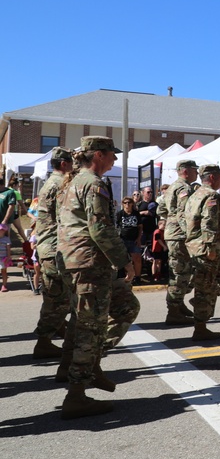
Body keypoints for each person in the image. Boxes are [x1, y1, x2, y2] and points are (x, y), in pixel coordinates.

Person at [57, 137, 138, 420]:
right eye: (112, 155)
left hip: (77, 262)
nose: (115, 160)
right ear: (99, 155)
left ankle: (90, 368)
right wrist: (125, 262)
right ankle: (76, 395)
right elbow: (100, 229)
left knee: (122, 308)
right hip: (89, 265)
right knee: (89, 329)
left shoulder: (74, 181)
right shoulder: (92, 183)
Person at [31, 147, 74, 359]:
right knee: (60, 299)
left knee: (53, 295)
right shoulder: (59, 184)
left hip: (47, 246)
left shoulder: (50, 182)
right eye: (72, 163)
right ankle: (44, 341)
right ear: (64, 164)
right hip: (54, 247)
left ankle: (54, 330)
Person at [184, 164, 220, 340]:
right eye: (219, 176)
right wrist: (210, 246)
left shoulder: (195, 195)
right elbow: (208, 222)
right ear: (212, 177)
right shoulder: (211, 196)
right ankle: (200, 324)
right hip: (207, 248)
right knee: (206, 287)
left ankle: (201, 305)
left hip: (196, 247)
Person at [161, 159, 199, 325]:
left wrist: (166, 221)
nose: (197, 173)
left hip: (173, 233)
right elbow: (184, 214)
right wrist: (191, 234)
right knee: (180, 273)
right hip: (180, 235)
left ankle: (178, 304)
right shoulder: (183, 187)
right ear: (186, 171)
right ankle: (173, 311)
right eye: (194, 170)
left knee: (180, 271)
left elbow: (160, 208)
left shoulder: (171, 187)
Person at [0, 177, 28, 292]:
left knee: (5, 242)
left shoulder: (9, 192)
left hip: (3, 224)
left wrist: (5, 221)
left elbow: (11, 207)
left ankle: (5, 282)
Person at [116, 197, 143, 282]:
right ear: (123, 204)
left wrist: (139, 238)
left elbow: (140, 227)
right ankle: (125, 277)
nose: (127, 204)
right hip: (123, 239)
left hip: (134, 239)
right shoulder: (120, 214)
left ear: (132, 204)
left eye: (129, 202)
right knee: (123, 259)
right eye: (125, 203)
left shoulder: (136, 214)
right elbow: (116, 227)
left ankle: (137, 277)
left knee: (137, 258)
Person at [136, 186, 158, 280]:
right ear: (143, 193)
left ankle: (152, 273)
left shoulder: (155, 204)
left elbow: (156, 215)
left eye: (151, 192)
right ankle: (140, 273)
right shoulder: (139, 204)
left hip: (152, 231)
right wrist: (143, 212)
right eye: (148, 192)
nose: (150, 194)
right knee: (140, 251)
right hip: (142, 232)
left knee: (152, 252)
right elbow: (135, 214)